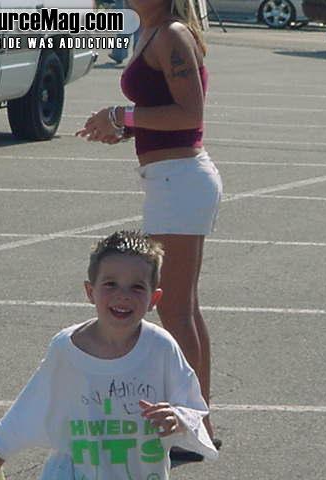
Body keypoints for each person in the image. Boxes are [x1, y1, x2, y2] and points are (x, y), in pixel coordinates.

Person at [76, 0, 223, 455]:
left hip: (181, 180)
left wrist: (122, 116)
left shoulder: (171, 34)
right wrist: (123, 129)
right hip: (169, 179)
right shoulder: (151, 31)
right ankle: (199, 421)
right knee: (183, 307)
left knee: (176, 309)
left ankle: (191, 425)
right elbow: (160, 111)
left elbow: (190, 113)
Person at [0, 231, 218, 479]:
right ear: (90, 291)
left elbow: (191, 406)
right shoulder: (67, 348)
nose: (123, 295)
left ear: (154, 298)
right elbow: (35, 400)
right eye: (110, 284)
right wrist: (1, 444)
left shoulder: (161, 347)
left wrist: (177, 418)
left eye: (137, 287)